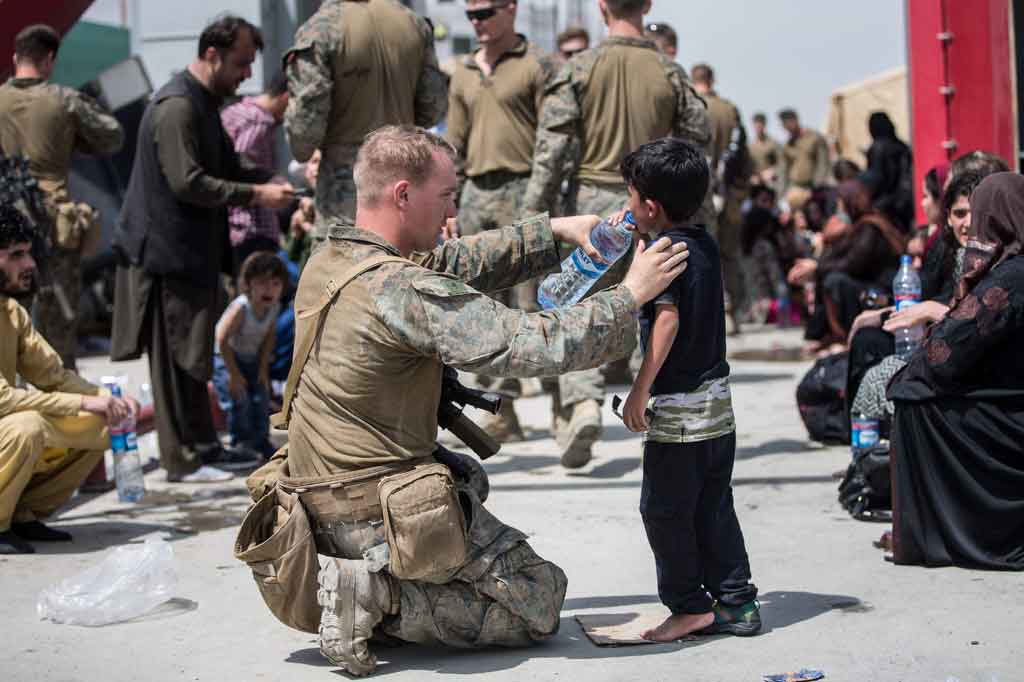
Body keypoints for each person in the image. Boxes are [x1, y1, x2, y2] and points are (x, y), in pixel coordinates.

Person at [251, 125, 690, 675]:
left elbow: (455, 262)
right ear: (403, 194)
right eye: (446, 195)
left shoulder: (333, 259)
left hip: (315, 502)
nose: (452, 210)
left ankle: (365, 582)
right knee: (537, 598)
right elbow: (529, 344)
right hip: (367, 510)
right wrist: (630, 295)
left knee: (464, 480)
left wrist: (556, 232)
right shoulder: (401, 289)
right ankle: (376, 594)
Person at [522, 0, 713, 467]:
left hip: (592, 207)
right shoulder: (669, 72)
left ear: (602, 6)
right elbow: (698, 138)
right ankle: (652, 407)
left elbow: (552, 150)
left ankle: (583, 402)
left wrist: (534, 214)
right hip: (655, 208)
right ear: (646, 5)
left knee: (580, 306)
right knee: (653, 305)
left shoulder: (579, 69)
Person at [111, 16, 295, 483]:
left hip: (192, 253)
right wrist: (256, 195)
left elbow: (228, 165)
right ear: (212, 54)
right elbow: (187, 181)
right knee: (175, 361)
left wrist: (270, 181)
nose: (247, 75)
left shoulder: (204, 103)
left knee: (193, 356)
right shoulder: (177, 106)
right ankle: (184, 458)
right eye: (241, 63)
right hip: (166, 255)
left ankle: (205, 448)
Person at [616, 138, 759, 641]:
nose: (627, 205)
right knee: (712, 504)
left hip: (678, 410)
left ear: (651, 206)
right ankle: (738, 602)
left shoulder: (665, 251)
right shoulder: (702, 244)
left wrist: (640, 390)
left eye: (631, 196)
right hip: (716, 404)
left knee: (664, 509)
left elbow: (667, 320)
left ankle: (689, 606)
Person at [888, 172, 1024, 570]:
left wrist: (910, 372)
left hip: (1011, 418)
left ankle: (942, 534)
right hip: (1010, 401)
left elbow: (943, 358)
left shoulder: (1009, 280)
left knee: (913, 400)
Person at [445, 0, 558, 441]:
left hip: (525, 188)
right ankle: (501, 409)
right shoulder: (463, 72)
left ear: (511, 9)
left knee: (533, 304)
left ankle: (563, 404)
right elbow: (453, 144)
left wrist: (539, 200)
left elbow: (552, 139)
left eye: (485, 12)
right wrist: (449, 203)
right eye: (470, 15)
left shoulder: (536, 65)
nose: (477, 22)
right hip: (477, 192)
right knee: (483, 308)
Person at [0, 204, 138, 554]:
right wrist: (84, 401)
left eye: (28, 254)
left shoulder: (11, 313)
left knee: (104, 422)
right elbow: (3, 400)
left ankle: (22, 514)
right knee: (27, 427)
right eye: (16, 255)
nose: (29, 264)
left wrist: (106, 399)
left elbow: (54, 376)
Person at [0, 24, 124, 370]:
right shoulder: (63, 100)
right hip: (54, 228)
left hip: (6, 229)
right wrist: (73, 138)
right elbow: (112, 136)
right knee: (57, 333)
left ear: (16, 57)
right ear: (49, 60)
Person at [284, 0, 448, 241]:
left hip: (347, 193)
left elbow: (304, 134)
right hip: (405, 184)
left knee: (342, 263)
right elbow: (433, 108)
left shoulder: (321, 29)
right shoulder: (413, 23)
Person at [691, 62, 749, 333]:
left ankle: (710, 313)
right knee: (729, 254)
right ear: (712, 79)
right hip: (729, 193)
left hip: (700, 194)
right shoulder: (729, 109)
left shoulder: (691, 107)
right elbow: (742, 155)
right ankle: (732, 312)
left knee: (703, 251)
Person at [212, 252, 287, 460]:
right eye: (262, 283)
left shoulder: (274, 308)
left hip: (251, 359)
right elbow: (221, 339)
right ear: (248, 285)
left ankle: (261, 441)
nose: (269, 289)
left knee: (261, 398)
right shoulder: (242, 308)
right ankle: (241, 444)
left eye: (275, 284)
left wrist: (263, 370)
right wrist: (234, 375)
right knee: (240, 399)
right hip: (226, 359)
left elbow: (269, 339)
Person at [221, 71, 290, 269]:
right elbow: (241, 168)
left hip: (231, 228)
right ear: (286, 98)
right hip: (251, 229)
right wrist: (273, 184)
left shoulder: (235, 111)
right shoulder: (259, 123)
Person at [863, 111, 913, 230]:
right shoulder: (902, 146)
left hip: (885, 206)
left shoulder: (877, 148)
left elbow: (876, 179)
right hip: (904, 203)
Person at [778, 108, 830, 193]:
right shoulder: (787, 145)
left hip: (814, 187)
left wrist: (818, 184)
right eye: (784, 125)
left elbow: (823, 163)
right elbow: (783, 170)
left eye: (788, 123)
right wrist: (783, 191)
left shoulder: (814, 138)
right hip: (795, 188)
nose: (787, 128)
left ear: (795, 121)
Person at [748, 112, 781, 187]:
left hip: (771, 183)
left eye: (760, 125)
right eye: (756, 125)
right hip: (755, 184)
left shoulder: (773, 144)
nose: (758, 128)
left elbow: (781, 163)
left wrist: (772, 171)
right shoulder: (750, 146)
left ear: (764, 125)